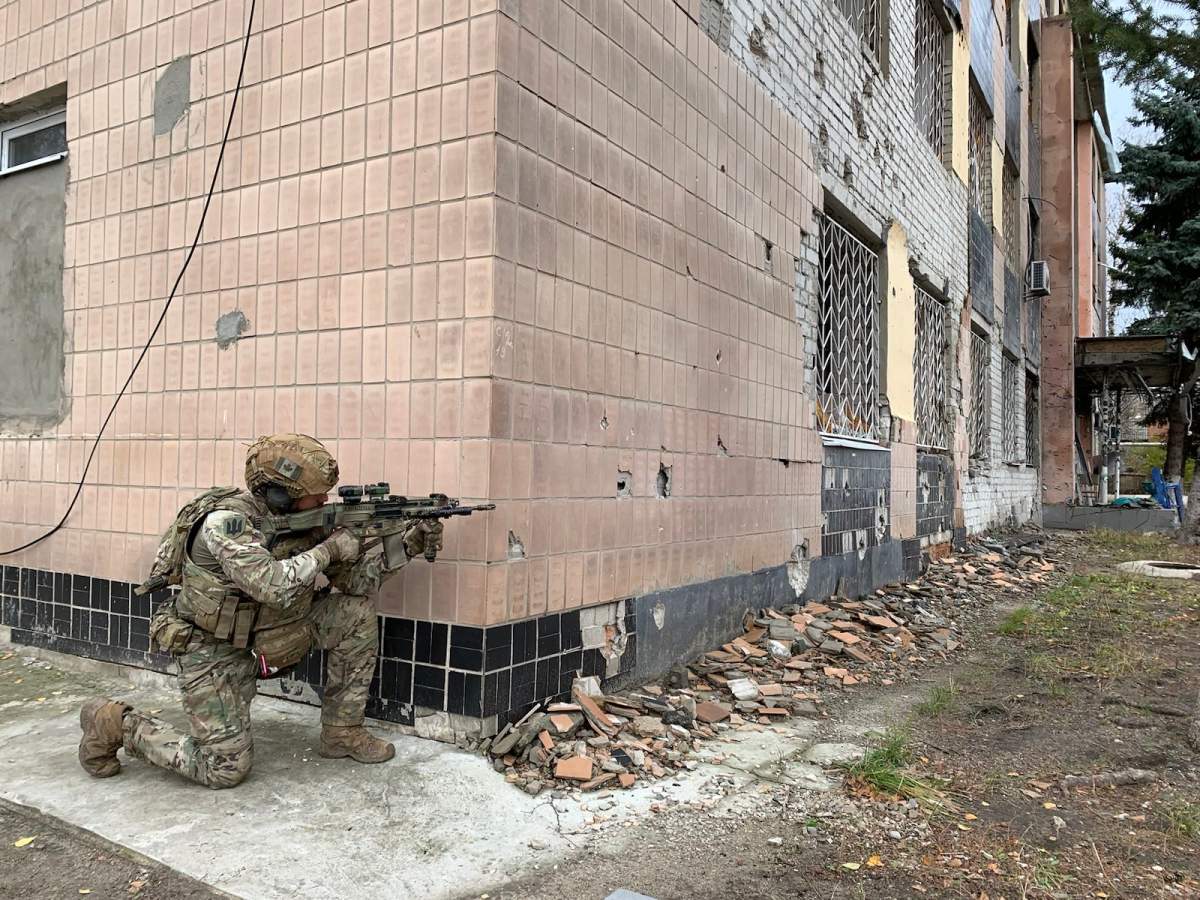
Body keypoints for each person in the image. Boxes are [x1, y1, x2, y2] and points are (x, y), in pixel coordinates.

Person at [77, 433, 442, 789]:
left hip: (277, 634)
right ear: (280, 494)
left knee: (354, 613)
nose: (323, 500)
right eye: (314, 495)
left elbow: (356, 583)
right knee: (223, 768)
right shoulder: (226, 523)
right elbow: (273, 585)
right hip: (216, 650)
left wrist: (409, 544)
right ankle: (114, 723)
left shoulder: (309, 521)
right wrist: (331, 549)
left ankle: (342, 732)